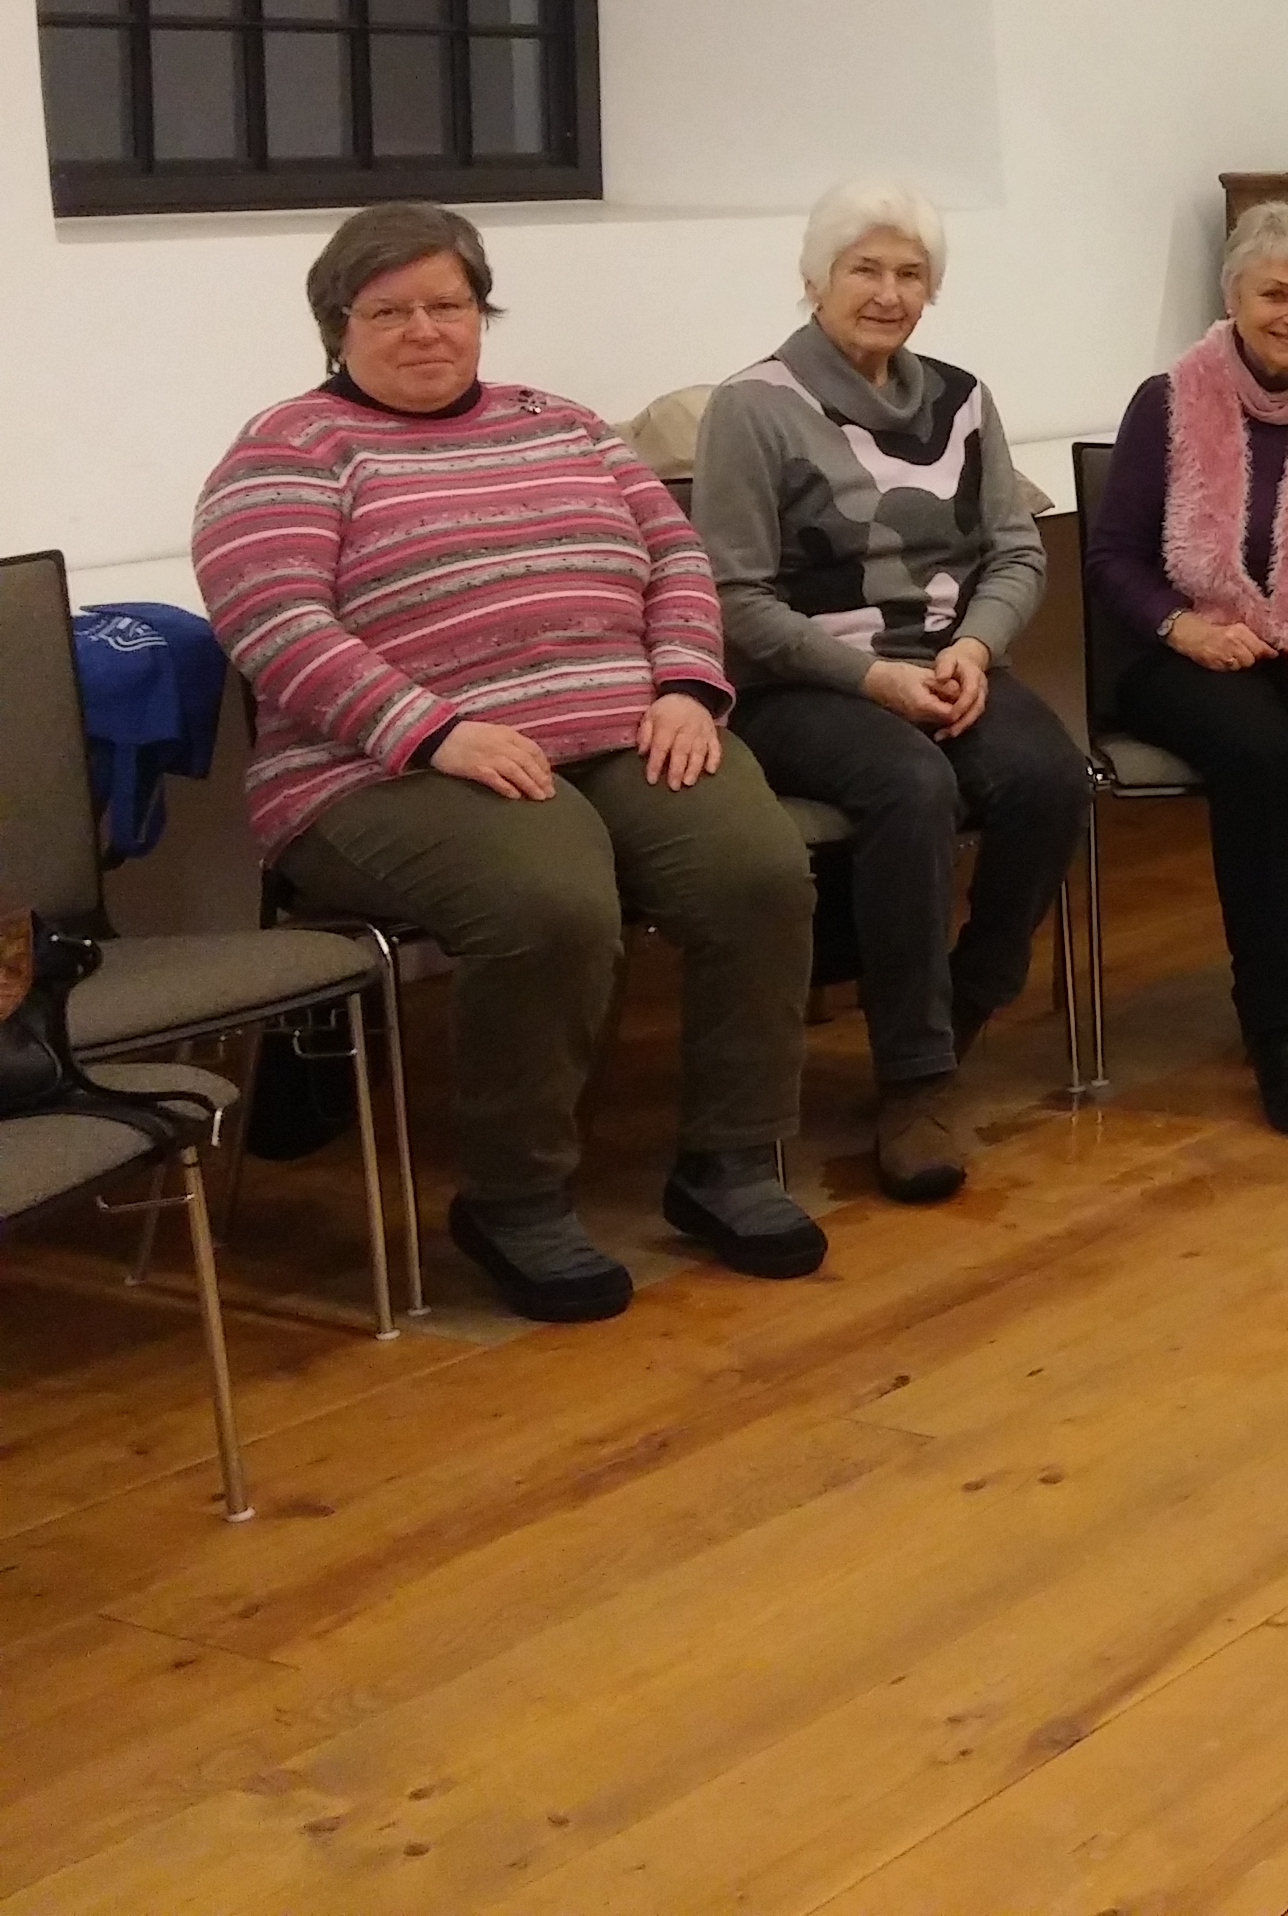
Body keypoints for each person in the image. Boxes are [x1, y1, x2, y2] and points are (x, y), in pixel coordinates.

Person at [195, 202, 821, 1323]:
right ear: (337, 325)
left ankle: (730, 1161)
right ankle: (515, 1197)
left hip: (622, 728)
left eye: (449, 304)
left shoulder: (566, 423)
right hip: (384, 768)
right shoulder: (287, 449)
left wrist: (685, 682)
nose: (425, 329)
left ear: (482, 314)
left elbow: (674, 559)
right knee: (549, 898)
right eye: (389, 310)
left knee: (755, 869)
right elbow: (275, 626)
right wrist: (432, 730)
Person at [691, 180, 1090, 1204]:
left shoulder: (961, 399)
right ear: (816, 280)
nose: (887, 290)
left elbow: (1010, 551)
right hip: (804, 680)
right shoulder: (754, 405)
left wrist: (976, 649)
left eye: (910, 273)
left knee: (1049, 776)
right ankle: (912, 1085)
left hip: (945, 663)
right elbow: (733, 598)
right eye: (864, 268)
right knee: (913, 790)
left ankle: (958, 1010)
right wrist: (871, 675)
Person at [1090, 199, 1288, 1134]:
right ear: (1234, 294)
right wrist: (1178, 626)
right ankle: (1277, 1030)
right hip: (1190, 644)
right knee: (1260, 758)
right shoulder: (1167, 399)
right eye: (1275, 292)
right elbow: (1112, 557)